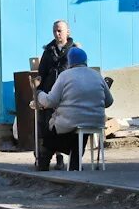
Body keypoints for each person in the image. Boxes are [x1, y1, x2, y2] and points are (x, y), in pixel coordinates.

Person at [36, 46, 113, 171]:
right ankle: (75, 165)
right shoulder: (97, 75)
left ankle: (43, 164)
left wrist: (39, 94)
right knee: (81, 132)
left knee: (50, 136)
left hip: (70, 121)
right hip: (94, 122)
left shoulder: (65, 76)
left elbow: (50, 101)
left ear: (70, 61)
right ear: (85, 60)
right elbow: (109, 102)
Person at [37, 20, 75, 169]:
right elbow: (42, 73)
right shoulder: (48, 50)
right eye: (55, 31)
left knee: (65, 127)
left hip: (67, 94)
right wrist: (38, 89)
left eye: (60, 30)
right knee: (49, 126)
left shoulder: (74, 50)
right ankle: (54, 157)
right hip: (51, 93)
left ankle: (67, 157)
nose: (57, 34)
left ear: (68, 32)